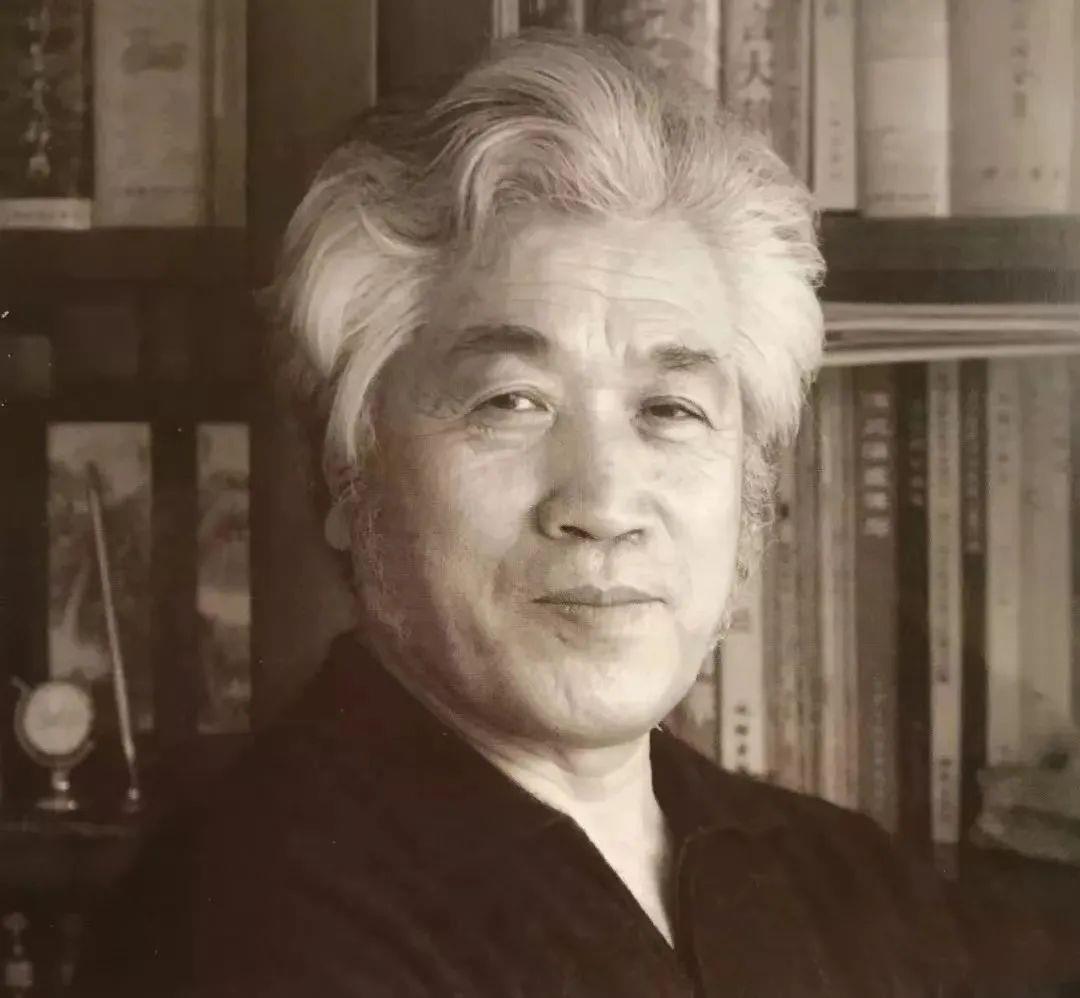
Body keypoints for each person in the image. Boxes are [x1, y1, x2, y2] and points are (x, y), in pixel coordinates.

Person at [76, 31, 1046, 998]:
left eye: (671, 409)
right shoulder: (245, 914)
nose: (604, 504)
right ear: (349, 473)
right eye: (511, 402)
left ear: (751, 498)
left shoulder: (851, 881)